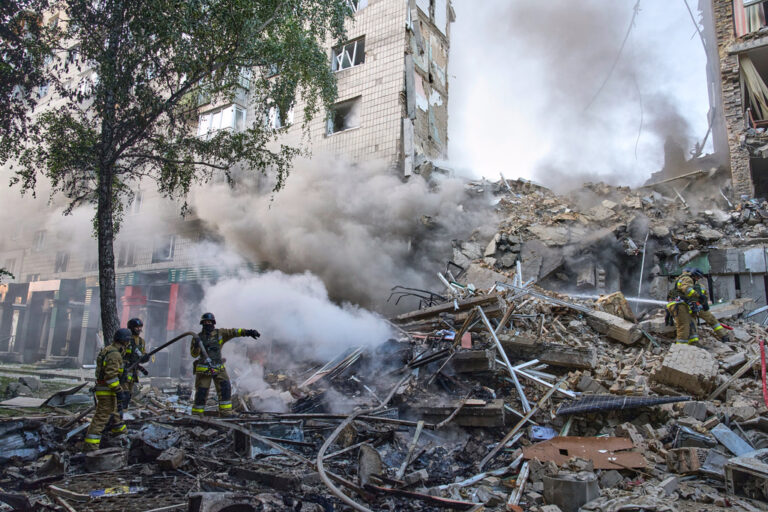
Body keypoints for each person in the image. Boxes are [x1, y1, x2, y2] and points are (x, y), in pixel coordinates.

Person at [190, 312, 260, 416]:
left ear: (213, 322)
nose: (208, 324)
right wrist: (196, 346)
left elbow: (234, 332)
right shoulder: (197, 337)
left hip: (218, 367)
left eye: (209, 322)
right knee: (201, 392)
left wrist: (249, 332)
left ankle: (225, 412)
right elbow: (194, 354)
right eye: (205, 322)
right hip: (203, 370)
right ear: (202, 323)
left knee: (225, 388)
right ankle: (197, 414)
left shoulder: (220, 333)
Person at [84, 328, 131, 451]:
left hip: (106, 389)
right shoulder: (115, 354)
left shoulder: (109, 350)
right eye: (128, 341)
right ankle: (91, 447)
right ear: (125, 341)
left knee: (115, 414)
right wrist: (119, 390)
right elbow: (111, 377)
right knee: (101, 418)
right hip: (107, 390)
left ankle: (120, 436)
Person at [666, 267, 733, 344]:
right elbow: (687, 291)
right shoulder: (687, 280)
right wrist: (699, 297)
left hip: (693, 306)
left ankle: (723, 337)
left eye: (699, 277)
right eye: (697, 277)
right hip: (686, 306)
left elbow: (702, 295)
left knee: (701, 322)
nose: (698, 279)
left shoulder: (692, 283)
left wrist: (704, 302)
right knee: (690, 324)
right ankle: (689, 344)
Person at [119, 317, 150, 411]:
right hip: (124, 370)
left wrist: (145, 358)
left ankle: (124, 411)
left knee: (129, 393)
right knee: (123, 392)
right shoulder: (125, 339)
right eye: (137, 327)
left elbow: (141, 356)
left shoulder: (141, 341)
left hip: (134, 372)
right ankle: (119, 412)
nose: (139, 329)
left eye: (140, 327)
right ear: (131, 327)